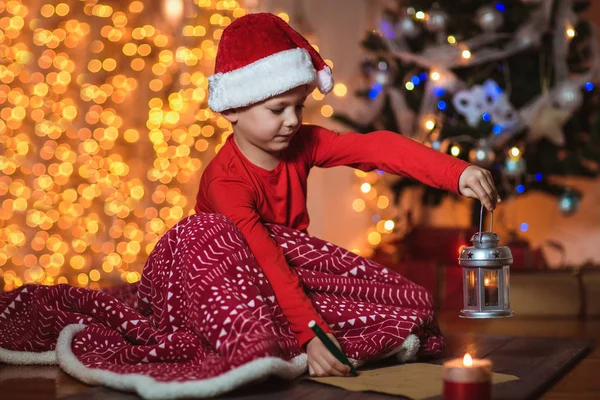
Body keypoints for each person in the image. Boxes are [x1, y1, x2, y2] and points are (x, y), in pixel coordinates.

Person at [194, 13, 499, 378]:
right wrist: (312, 334)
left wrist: (456, 172)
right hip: (239, 280)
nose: (292, 120)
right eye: (277, 109)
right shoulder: (225, 182)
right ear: (232, 109)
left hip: (292, 275)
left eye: (298, 107)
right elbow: (265, 259)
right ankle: (312, 344)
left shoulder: (302, 142)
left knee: (413, 301)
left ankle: (348, 340)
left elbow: (374, 149)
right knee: (260, 332)